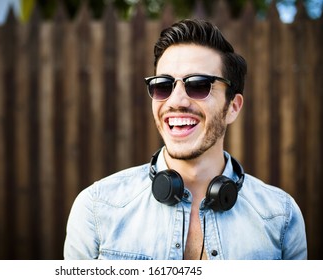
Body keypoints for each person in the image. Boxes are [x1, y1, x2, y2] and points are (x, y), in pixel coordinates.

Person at [63, 19, 307, 260]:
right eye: (163, 85)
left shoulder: (281, 218)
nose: (176, 101)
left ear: (233, 106)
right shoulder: (96, 209)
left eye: (199, 85)